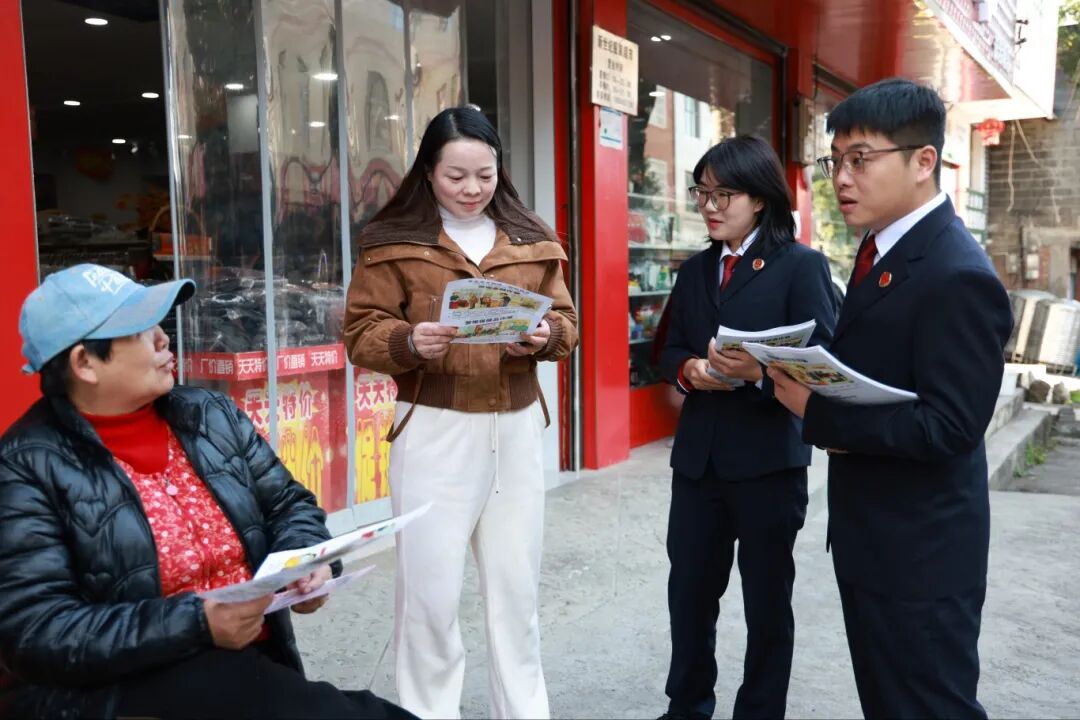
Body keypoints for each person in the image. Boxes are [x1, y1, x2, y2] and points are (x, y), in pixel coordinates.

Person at [0, 264, 414, 720]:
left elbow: (287, 504)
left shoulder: (208, 415)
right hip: (128, 688)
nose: (163, 339)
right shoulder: (25, 466)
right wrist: (196, 624)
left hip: (250, 671)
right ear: (84, 364)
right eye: (140, 331)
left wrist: (305, 560)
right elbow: (37, 630)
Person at [768, 78, 1013, 718]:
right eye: (835, 161)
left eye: (861, 159)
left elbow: (949, 427)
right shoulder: (882, 247)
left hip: (921, 554)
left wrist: (817, 413)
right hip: (874, 538)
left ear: (923, 160)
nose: (842, 178)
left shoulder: (956, 274)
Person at [343, 106, 577, 719]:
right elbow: (360, 331)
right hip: (433, 428)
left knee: (516, 592)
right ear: (428, 171)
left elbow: (566, 322)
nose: (472, 189)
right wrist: (407, 342)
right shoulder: (390, 240)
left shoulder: (530, 237)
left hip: (516, 428)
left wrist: (544, 336)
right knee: (429, 595)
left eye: (485, 175)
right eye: (456, 176)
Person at [658, 136, 838, 720]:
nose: (709, 206)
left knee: (766, 603)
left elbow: (827, 361)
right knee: (689, 594)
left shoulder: (801, 267)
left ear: (759, 199)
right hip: (698, 463)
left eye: (724, 195)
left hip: (768, 463)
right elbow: (668, 349)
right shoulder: (695, 271)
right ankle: (687, 706)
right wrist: (688, 371)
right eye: (702, 193)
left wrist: (760, 374)